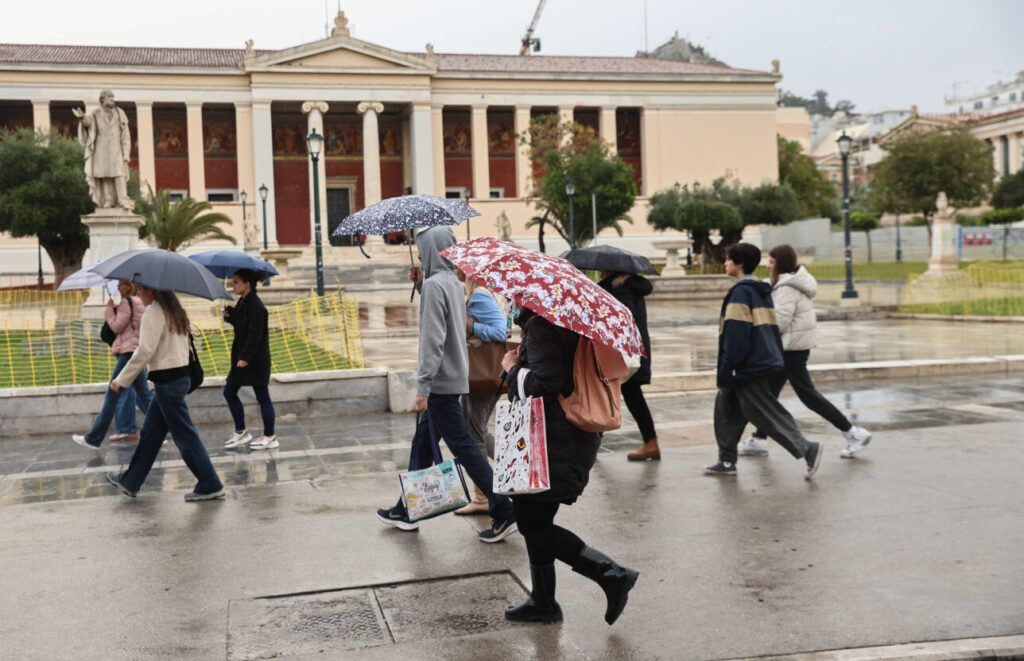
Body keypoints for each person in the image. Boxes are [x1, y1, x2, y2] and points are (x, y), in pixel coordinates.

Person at [376, 226, 517, 542]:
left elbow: (433, 339)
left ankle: (504, 509)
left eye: (421, 247)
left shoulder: (436, 287)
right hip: (455, 375)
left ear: (429, 251)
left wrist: (423, 385)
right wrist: (422, 280)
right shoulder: (452, 283)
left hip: (440, 381)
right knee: (423, 443)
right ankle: (407, 509)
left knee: (464, 446)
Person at [501, 307, 639, 625]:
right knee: (535, 515)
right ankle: (543, 600)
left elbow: (546, 384)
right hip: (566, 437)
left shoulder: (542, 327)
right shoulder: (570, 323)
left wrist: (511, 369)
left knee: (533, 524)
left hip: (552, 440)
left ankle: (611, 574)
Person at [738, 245, 872, 459]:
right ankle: (759, 440)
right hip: (790, 347)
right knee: (769, 396)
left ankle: (853, 432)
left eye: (771, 262)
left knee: (808, 395)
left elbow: (779, 322)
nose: (768, 266)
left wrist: (755, 325)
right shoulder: (786, 283)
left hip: (790, 350)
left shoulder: (787, 287)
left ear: (780, 264)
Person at [704, 243, 823, 479]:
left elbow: (738, 334)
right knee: (726, 409)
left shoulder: (741, 292)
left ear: (739, 264)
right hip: (757, 361)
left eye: (728, 259)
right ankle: (726, 460)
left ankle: (807, 449)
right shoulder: (760, 290)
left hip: (745, 365)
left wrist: (731, 365)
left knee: (764, 413)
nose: (725, 263)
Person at [104, 285, 224, 501]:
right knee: (151, 434)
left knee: (184, 435)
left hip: (168, 382)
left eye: (141, 290)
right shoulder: (174, 310)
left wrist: (122, 379)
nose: (138, 294)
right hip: (177, 378)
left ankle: (210, 483)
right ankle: (130, 481)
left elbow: (145, 350)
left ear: (153, 291)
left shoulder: (153, 312)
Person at [72, 281, 153, 449]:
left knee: (112, 393)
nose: (118, 288)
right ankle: (167, 426)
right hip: (134, 351)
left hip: (127, 353)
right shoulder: (139, 301)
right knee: (144, 394)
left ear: (128, 286)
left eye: (121, 285)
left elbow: (116, 327)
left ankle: (93, 438)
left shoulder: (126, 302)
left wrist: (109, 311)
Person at [454, 273, 508, 515]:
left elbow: (500, 331)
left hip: (481, 372)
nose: (456, 270)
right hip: (485, 372)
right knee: (477, 429)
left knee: (472, 433)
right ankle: (513, 466)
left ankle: (483, 496)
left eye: (460, 267)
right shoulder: (488, 292)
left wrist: (470, 325)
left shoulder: (478, 296)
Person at [599, 271, 659, 461]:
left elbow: (624, 317)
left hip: (627, 352)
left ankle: (651, 442)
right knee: (617, 393)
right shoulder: (629, 286)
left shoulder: (622, 288)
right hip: (633, 350)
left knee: (620, 394)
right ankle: (650, 442)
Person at [222, 268, 277, 451]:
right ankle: (241, 432)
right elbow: (242, 324)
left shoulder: (256, 305)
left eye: (236, 282)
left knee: (262, 396)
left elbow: (255, 334)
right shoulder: (243, 302)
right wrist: (230, 316)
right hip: (242, 358)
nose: (233, 285)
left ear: (247, 284)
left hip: (254, 360)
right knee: (230, 392)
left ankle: (269, 436)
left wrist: (245, 358)